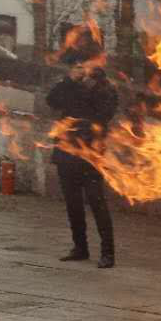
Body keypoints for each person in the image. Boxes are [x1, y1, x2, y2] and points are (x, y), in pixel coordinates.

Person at [46, 44, 118, 269]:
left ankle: (108, 253)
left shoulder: (104, 87)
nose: (81, 69)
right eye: (77, 66)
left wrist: (87, 86)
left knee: (97, 203)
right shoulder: (69, 84)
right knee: (73, 204)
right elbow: (52, 101)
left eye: (84, 65)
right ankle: (80, 247)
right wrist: (70, 81)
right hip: (66, 153)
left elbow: (104, 115)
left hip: (90, 154)